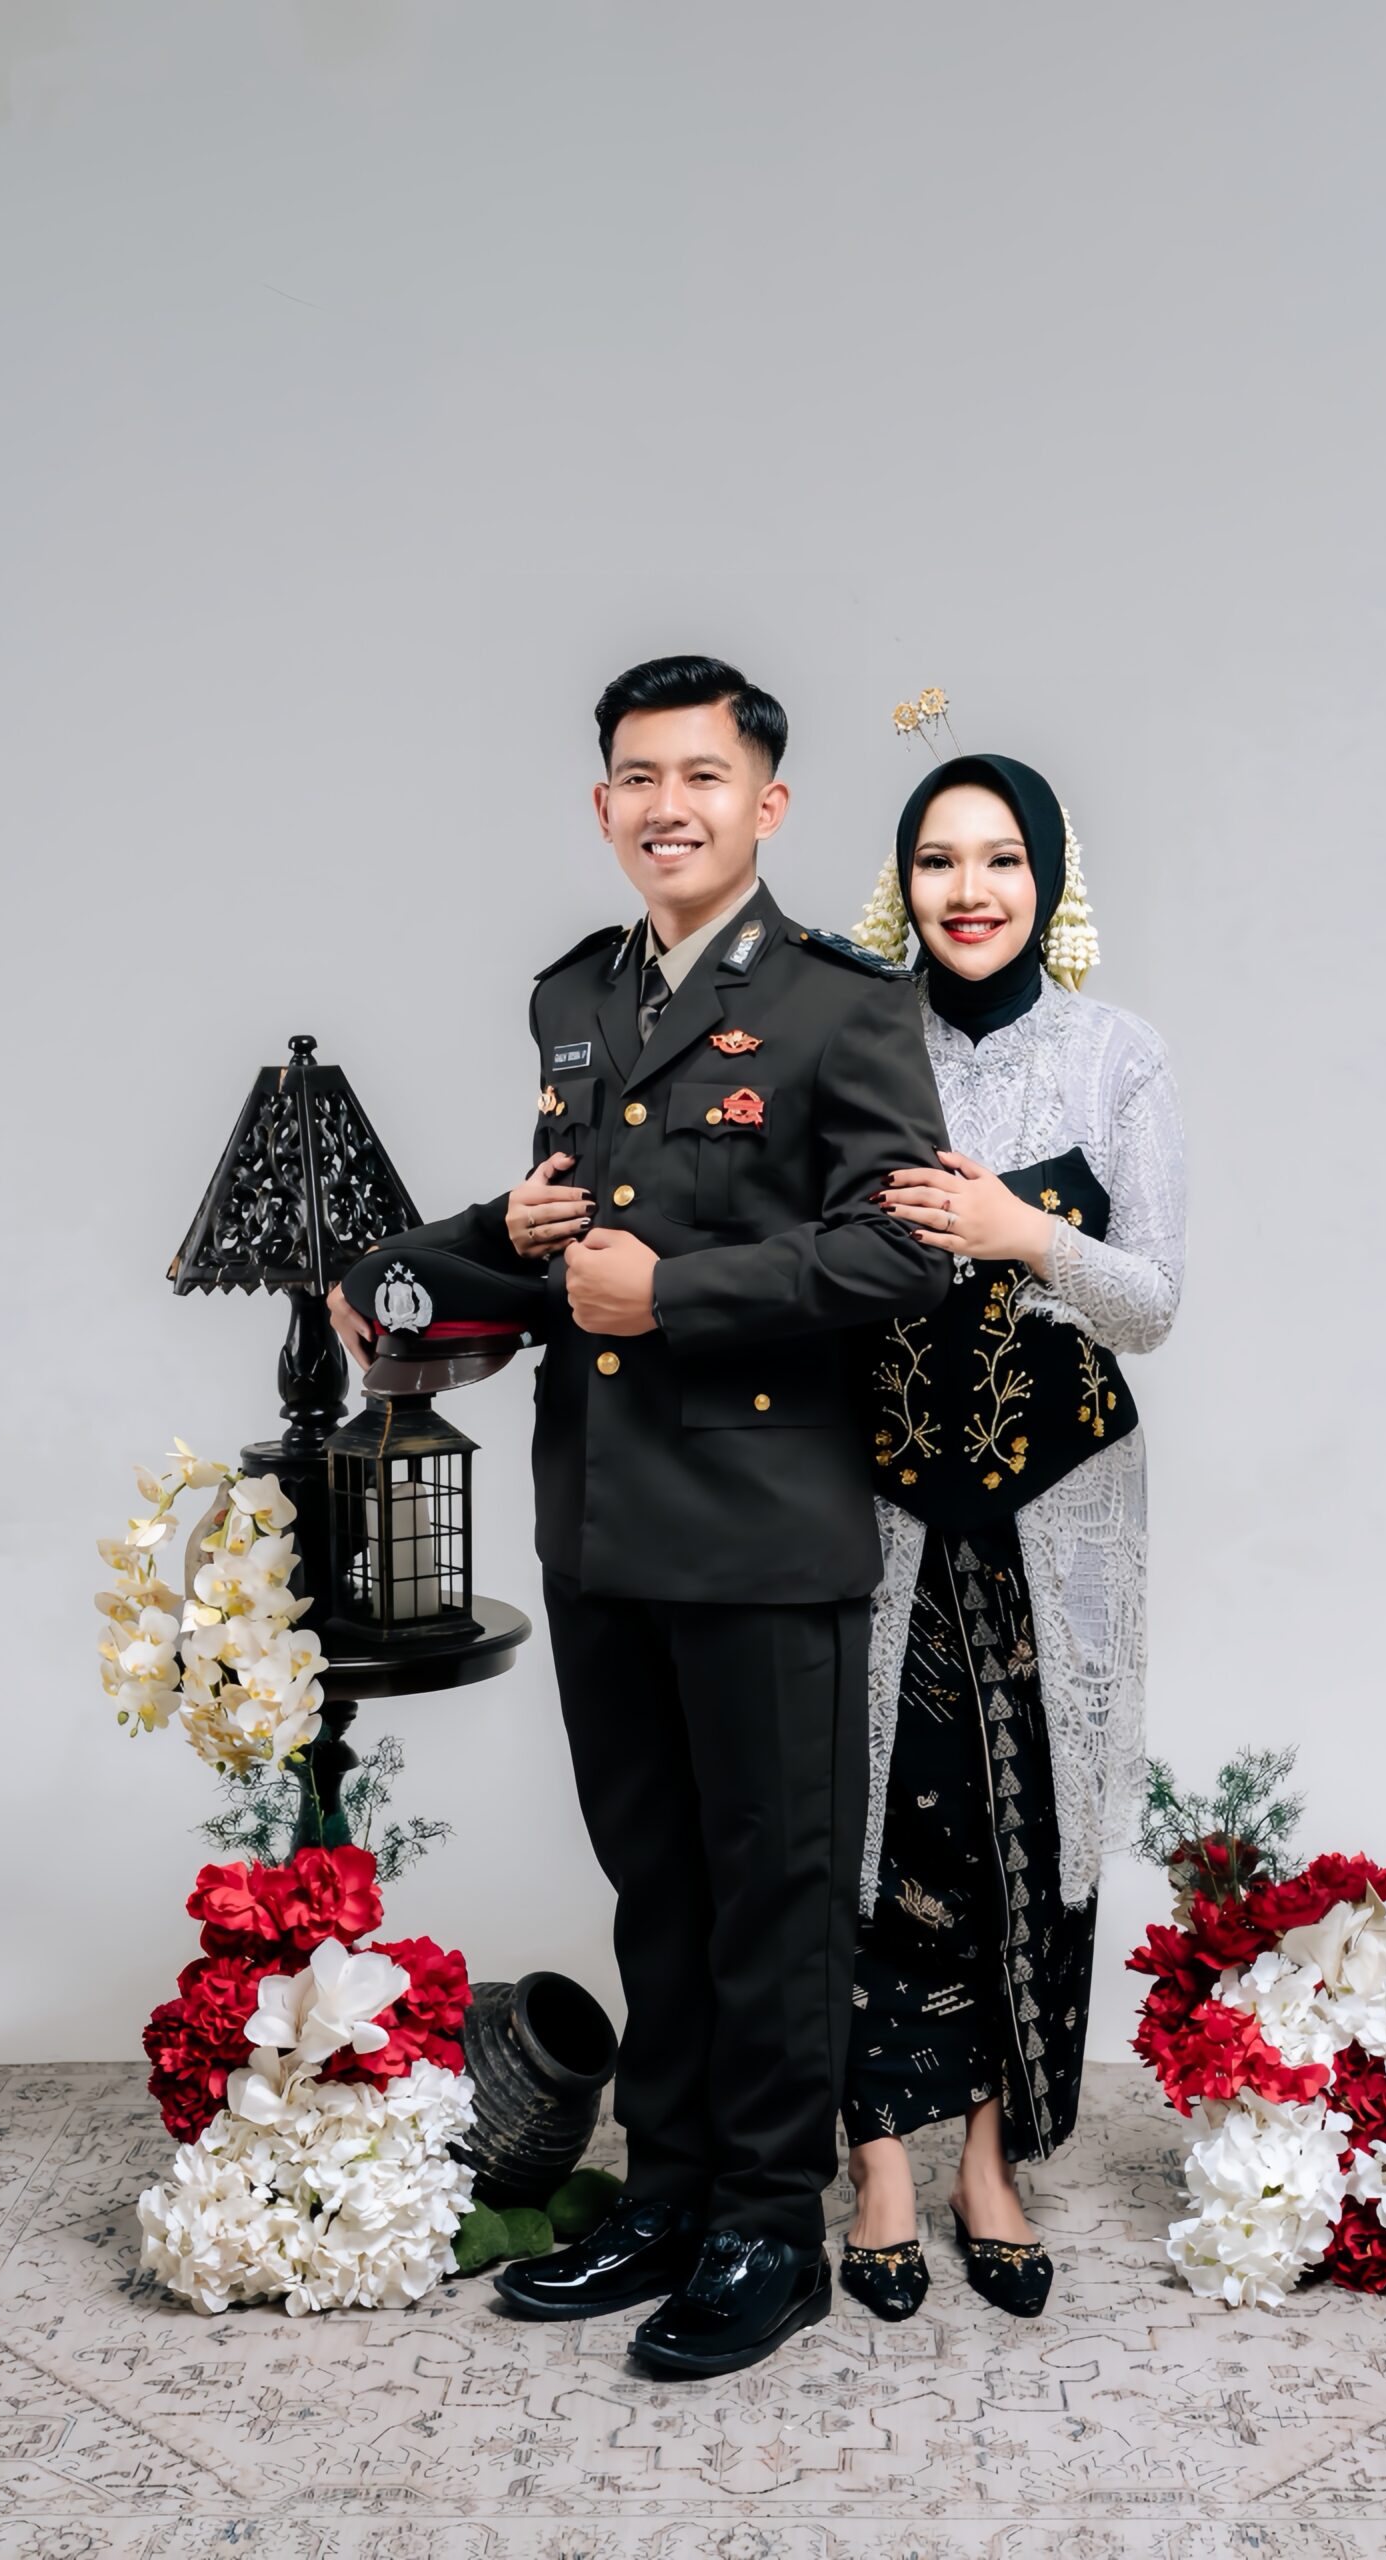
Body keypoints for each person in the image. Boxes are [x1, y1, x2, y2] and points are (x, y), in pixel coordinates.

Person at [330, 655, 950, 2377]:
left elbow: (901, 1252)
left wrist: (671, 1295)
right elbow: (569, 1229)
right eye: (636, 778)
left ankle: (769, 2229)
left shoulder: (841, 1006)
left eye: (701, 775)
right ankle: (671, 2191)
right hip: (600, 1516)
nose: (666, 806)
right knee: (658, 1884)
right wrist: (418, 1265)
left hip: (761, 1524)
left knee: (774, 1892)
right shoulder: (575, 996)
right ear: (602, 804)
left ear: (768, 803)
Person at [834, 752, 1186, 2322]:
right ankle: (877, 2162)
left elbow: (1153, 1303)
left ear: (1048, 879)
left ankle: (987, 2159)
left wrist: (1022, 1232)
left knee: (1017, 1821)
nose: (967, 891)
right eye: (936, 861)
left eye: (999, 860)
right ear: (900, 882)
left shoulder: (1117, 1056)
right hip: (870, 1493)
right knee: (871, 1820)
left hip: (1057, 1505)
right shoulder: (851, 1044)